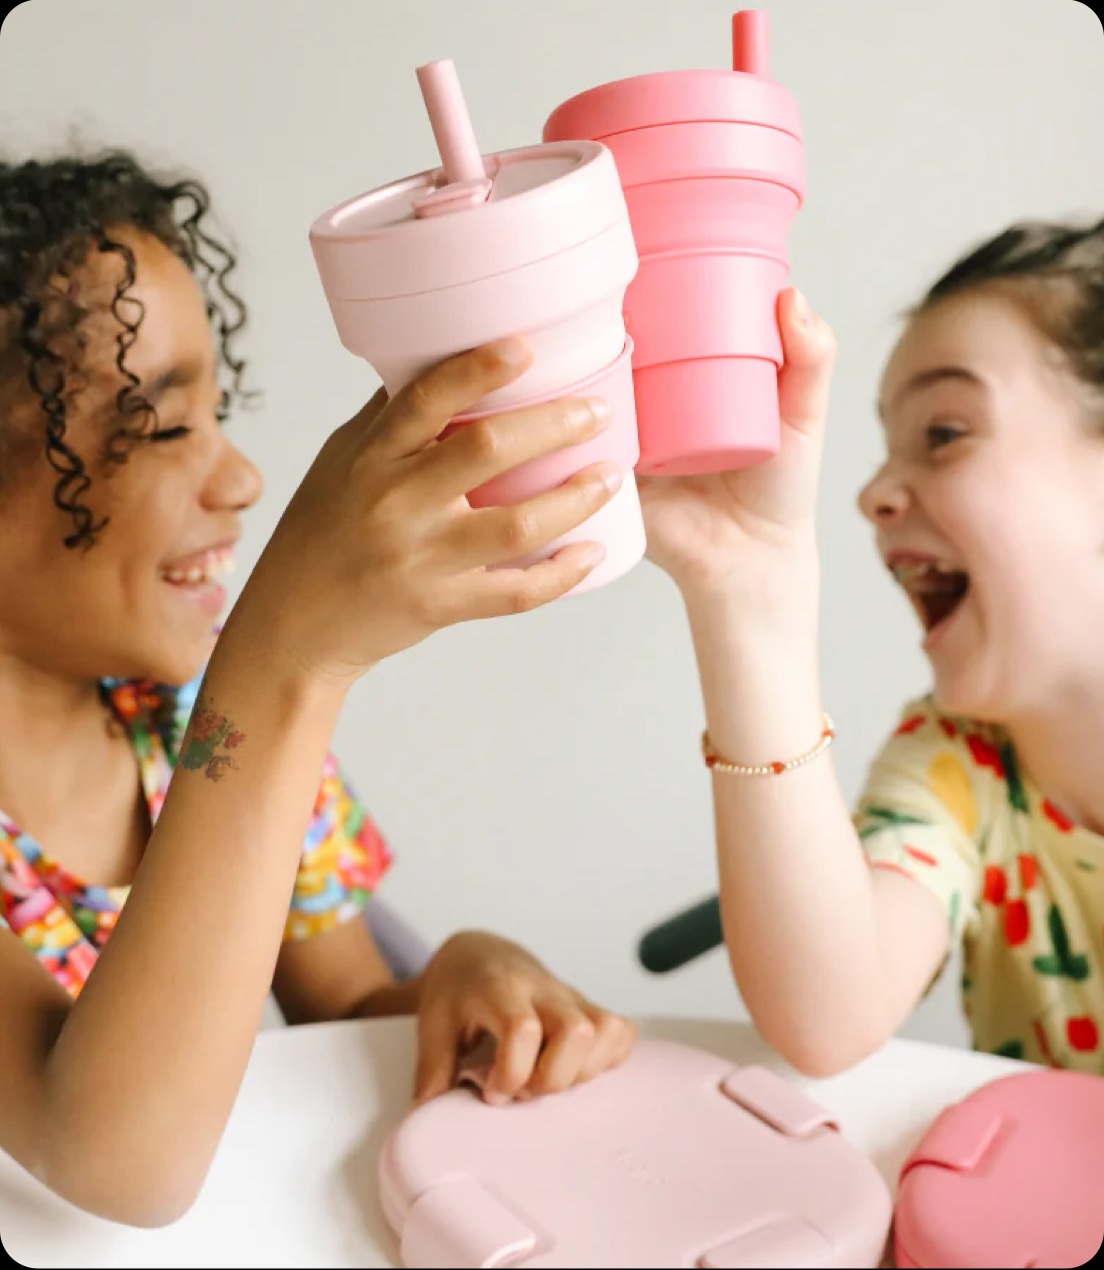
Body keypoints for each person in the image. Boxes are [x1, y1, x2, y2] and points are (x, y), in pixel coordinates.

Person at [0, 150, 636, 1227]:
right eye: (157, 422)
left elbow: (342, 1000)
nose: (242, 477)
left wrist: (452, 979)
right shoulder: (245, 711)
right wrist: (285, 657)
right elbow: (112, 1159)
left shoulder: (186, 731)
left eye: (218, 408)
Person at [642, 217, 1104, 1078]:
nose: (873, 492)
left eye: (944, 434)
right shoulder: (960, 771)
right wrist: (748, 590)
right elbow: (825, 1018)